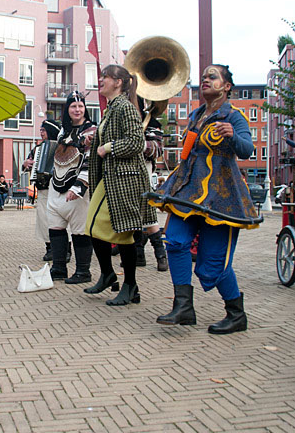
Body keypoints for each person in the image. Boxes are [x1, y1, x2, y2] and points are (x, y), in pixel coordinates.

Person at [155, 64, 258, 335]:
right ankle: (183, 308)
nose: (205, 80)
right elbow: (187, 154)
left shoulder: (234, 116)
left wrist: (233, 136)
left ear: (226, 87)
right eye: (203, 77)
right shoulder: (196, 115)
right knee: (175, 242)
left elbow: (247, 150)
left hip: (221, 198)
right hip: (188, 191)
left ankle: (236, 314)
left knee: (210, 268)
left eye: (212, 77)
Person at [84, 65, 157, 305]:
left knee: (123, 232)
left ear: (118, 82)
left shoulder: (125, 107)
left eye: (105, 76)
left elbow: (137, 143)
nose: (100, 79)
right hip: (112, 177)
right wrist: (97, 140)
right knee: (94, 226)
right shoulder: (111, 109)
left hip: (125, 179)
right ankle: (108, 274)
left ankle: (129, 285)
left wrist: (108, 147)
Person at [46, 92, 97, 284]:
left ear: (85, 109)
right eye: (73, 106)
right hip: (56, 186)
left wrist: (80, 186)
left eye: (80, 106)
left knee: (80, 230)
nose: (77, 109)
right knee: (55, 227)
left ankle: (83, 271)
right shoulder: (62, 131)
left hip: (77, 190)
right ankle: (59, 268)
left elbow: (91, 160)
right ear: (67, 109)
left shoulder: (92, 131)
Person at [133, 97, 169, 272]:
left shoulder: (151, 122)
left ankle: (160, 254)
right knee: (131, 214)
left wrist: (136, 143)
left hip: (143, 169)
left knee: (147, 213)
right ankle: (138, 254)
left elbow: (157, 149)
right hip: (124, 170)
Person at [22, 119, 61, 261]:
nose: (41, 133)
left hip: (58, 188)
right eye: (40, 130)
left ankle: (65, 249)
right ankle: (49, 248)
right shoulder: (37, 149)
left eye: (43, 130)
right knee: (44, 219)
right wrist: (26, 164)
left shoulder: (62, 146)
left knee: (60, 219)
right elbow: (27, 164)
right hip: (43, 189)